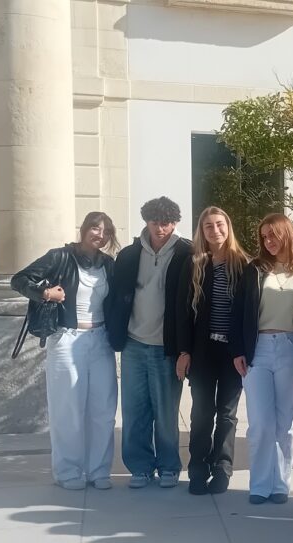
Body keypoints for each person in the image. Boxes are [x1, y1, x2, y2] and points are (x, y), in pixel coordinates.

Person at [11, 212, 120, 490]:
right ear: (84, 229)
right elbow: (20, 279)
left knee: (103, 409)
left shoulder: (108, 264)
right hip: (67, 338)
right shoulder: (60, 257)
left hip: (101, 339)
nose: (100, 235)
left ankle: (98, 470)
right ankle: (68, 471)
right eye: (95, 228)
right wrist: (46, 294)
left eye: (106, 231)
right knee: (68, 409)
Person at [106, 196, 192, 489]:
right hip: (133, 344)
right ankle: (140, 467)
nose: (160, 228)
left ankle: (169, 466)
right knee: (134, 411)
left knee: (166, 413)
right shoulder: (129, 255)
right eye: (155, 221)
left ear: (175, 223)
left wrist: (185, 349)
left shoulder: (188, 254)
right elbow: (115, 296)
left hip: (167, 348)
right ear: (146, 221)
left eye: (166, 222)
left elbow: (193, 304)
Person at [231, 214, 293, 504]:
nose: (268, 241)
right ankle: (259, 485)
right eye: (264, 237)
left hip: (291, 348)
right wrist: (238, 351)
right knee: (261, 422)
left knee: (286, 423)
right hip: (258, 349)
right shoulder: (254, 269)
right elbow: (238, 311)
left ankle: (280, 484)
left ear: (286, 234)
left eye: (273, 235)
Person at [176, 206, 249, 495]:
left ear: (228, 227)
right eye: (209, 226)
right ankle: (197, 469)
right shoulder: (194, 263)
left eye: (220, 224)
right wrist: (184, 351)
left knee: (228, 414)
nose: (215, 230)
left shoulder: (243, 264)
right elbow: (183, 311)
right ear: (202, 231)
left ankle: (222, 469)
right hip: (203, 351)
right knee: (202, 413)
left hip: (233, 353)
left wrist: (246, 351)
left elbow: (250, 313)